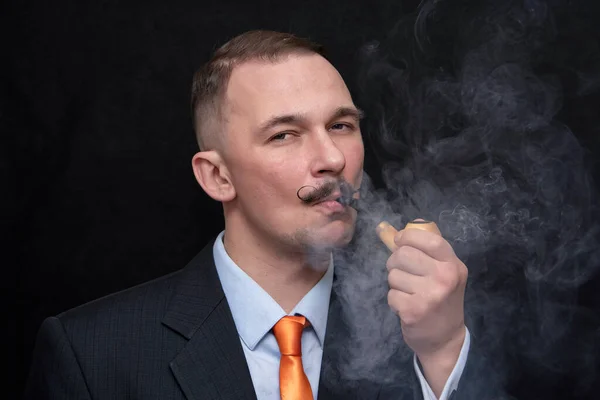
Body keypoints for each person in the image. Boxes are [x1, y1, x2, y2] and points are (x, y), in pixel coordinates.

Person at [24, 30, 474, 400]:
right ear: (218, 176)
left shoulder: (429, 322)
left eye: (341, 126)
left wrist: (442, 351)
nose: (332, 158)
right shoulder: (91, 354)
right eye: (284, 135)